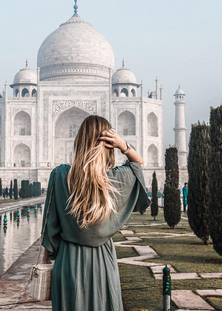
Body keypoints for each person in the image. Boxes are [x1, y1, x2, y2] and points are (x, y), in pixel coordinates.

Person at [41, 115, 150, 311]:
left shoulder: (60, 175)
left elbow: (50, 228)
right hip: (103, 263)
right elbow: (138, 165)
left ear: (79, 142)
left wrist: (47, 257)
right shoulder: (115, 179)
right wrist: (123, 145)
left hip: (68, 262)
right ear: (109, 146)